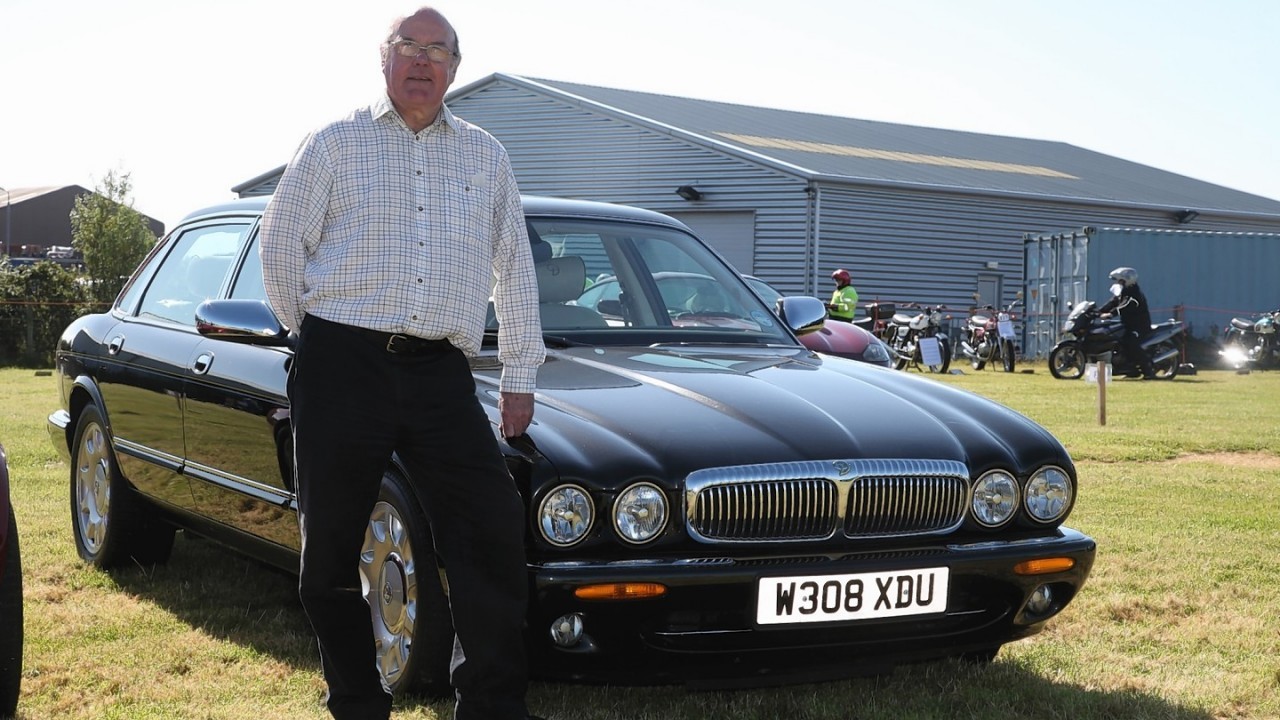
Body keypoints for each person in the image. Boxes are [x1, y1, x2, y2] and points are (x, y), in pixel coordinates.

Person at [259, 7, 544, 720]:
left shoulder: (486, 155)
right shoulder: (333, 143)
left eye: (438, 50)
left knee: (489, 529)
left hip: (440, 374)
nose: (422, 61)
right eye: (409, 48)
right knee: (327, 555)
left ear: (455, 65)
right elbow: (279, 244)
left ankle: (491, 704)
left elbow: (515, 269)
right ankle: (357, 702)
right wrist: (313, 338)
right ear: (383, 58)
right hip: (340, 364)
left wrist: (517, 373)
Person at [1098, 266, 1156, 379]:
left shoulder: (1134, 294)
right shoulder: (1123, 292)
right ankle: (1130, 369)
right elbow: (1112, 302)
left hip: (1139, 326)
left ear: (1128, 280)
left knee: (1131, 343)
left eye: (1120, 280)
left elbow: (1124, 306)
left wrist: (1111, 314)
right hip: (1127, 325)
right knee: (1118, 341)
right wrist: (1097, 311)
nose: (1118, 283)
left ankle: (1148, 369)